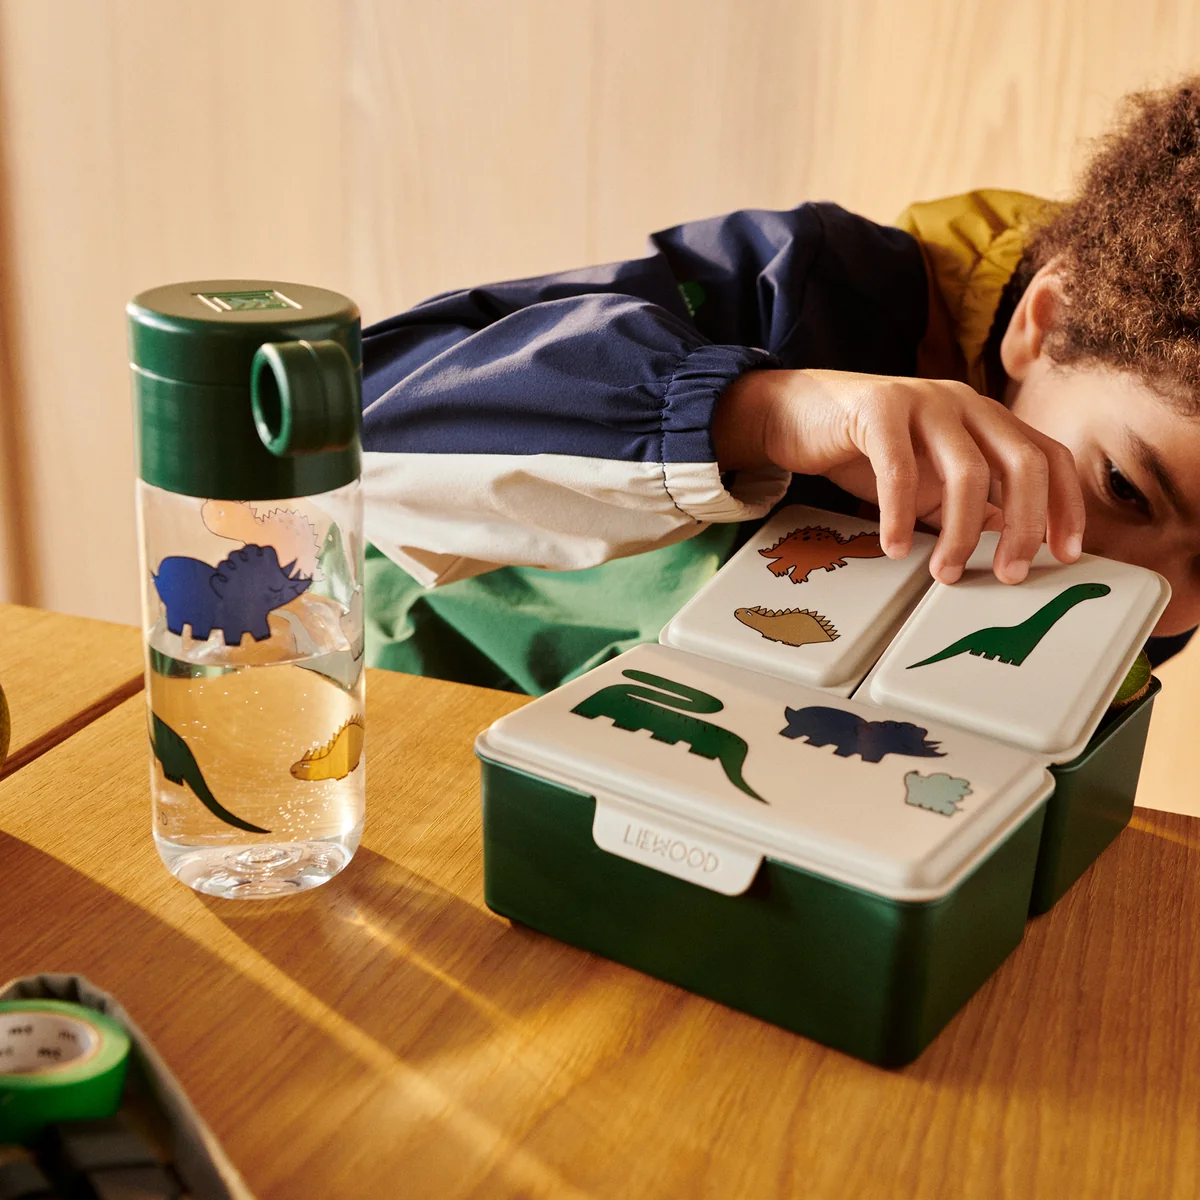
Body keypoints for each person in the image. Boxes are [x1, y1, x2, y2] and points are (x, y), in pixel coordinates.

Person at [359, 78, 1200, 695]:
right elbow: (353, 417)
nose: (1157, 605)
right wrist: (753, 414)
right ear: (1046, 322)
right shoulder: (798, 293)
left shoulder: (1153, 579)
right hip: (397, 715)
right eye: (1123, 486)